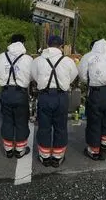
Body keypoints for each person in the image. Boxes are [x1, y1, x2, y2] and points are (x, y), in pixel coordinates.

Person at [31, 35, 78, 167]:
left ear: (48, 44)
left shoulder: (38, 60)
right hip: (61, 97)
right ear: (61, 46)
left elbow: (34, 76)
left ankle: (45, 157)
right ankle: (57, 157)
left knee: (44, 127)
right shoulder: (68, 61)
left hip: (44, 96)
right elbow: (73, 76)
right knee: (61, 127)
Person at [78, 38, 106, 160]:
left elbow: (82, 75)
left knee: (94, 121)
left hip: (96, 93)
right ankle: (104, 146)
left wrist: (92, 82)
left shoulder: (88, 56)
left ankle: (94, 151)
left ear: (92, 46)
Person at [0, 34, 33, 158]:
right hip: (20, 93)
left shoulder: (2, 56)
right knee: (21, 121)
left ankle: (8, 149)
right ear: (23, 43)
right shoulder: (27, 59)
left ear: (10, 43)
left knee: (7, 120)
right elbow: (32, 77)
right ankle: (20, 149)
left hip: (5, 92)